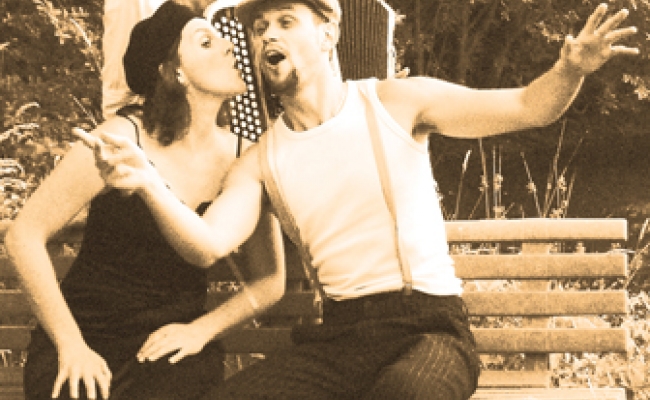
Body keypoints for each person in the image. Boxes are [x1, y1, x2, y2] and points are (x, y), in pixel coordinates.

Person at [76, 0, 639, 399]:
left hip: (429, 329)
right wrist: (148, 182)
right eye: (260, 27)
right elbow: (207, 244)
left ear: (327, 36)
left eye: (286, 21)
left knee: (403, 394)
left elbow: (528, 107)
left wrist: (569, 69)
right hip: (340, 338)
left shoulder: (397, 104)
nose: (268, 35)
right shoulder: (261, 159)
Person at [5, 1, 284, 399]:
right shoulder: (121, 139)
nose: (228, 45)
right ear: (174, 72)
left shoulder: (245, 158)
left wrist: (202, 330)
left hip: (173, 345)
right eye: (206, 42)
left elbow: (269, 279)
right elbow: (23, 235)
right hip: (86, 333)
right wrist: (70, 344)